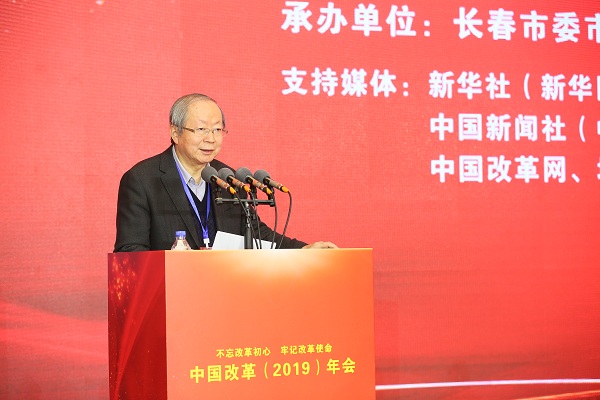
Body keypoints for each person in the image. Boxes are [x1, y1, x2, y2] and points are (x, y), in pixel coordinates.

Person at [114, 93, 337, 252]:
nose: (210, 139)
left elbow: (256, 234)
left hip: (224, 293)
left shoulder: (228, 179)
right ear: (175, 132)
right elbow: (130, 251)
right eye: (201, 129)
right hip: (171, 296)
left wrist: (303, 249)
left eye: (217, 130)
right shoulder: (142, 181)